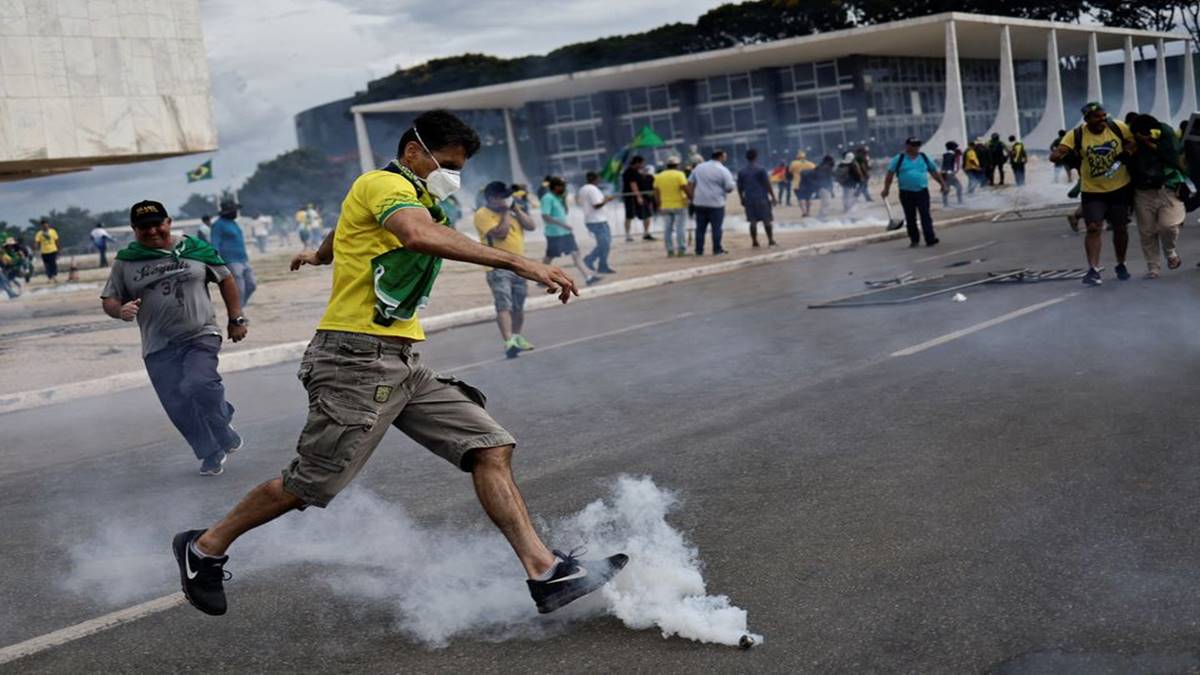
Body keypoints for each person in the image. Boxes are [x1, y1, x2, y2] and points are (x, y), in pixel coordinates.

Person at [171, 109, 627, 618]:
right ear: (414, 152)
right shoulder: (382, 184)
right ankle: (204, 548)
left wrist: (320, 256)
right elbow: (415, 234)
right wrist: (521, 262)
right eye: (448, 163)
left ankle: (546, 572)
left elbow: (348, 229)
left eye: (459, 166)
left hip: (402, 360)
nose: (453, 174)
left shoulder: (415, 196)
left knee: (490, 446)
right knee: (309, 485)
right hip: (355, 360)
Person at [101, 200, 247, 475]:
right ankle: (211, 452)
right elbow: (109, 298)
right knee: (178, 405)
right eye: (144, 227)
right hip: (157, 345)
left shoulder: (195, 249)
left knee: (199, 382)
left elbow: (226, 278)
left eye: (158, 224)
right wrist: (119, 310)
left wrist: (235, 318)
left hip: (200, 332)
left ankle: (222, 420)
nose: (153, 231)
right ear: (134, 229)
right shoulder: (126, 261)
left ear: (168, 222)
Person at [1050, 101, 1134, 286]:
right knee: (1093, 227)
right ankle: (1093, 270)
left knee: (1120, 227)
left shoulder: (1117, 127)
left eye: (1104, 116)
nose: (1102, 120)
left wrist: (1126, 152)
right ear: (1087, 119)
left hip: (1120, 186)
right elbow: (1059, 151)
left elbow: (1132, 142)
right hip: (1092, 190)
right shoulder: (1077, 134)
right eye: (1097, 117)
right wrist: (1059, 155)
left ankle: (1121, 264)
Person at [474, 181, 537, 357]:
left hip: (520, 265)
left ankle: (517, 337)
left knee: (518, 305)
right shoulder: (482, 214)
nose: (507, 199)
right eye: (503, 197)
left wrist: (515, 210)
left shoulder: (512, 212)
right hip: (497, 266)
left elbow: (531, 226)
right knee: (504, 304)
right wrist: (505, 213)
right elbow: (500, 233)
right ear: (492, 198)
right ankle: (508, 341)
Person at [1128, 114, 1187, 278]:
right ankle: (1153, 267)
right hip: (1142, 191)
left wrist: (1148, 143)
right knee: (1146, 232)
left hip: (1166, 187)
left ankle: (1170, 252)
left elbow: (1173, 157)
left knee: (1168, 226)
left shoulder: (1165, 133)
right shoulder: (1131, 137)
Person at [881, 137, 947, 248]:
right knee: (910, 217)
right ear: (907, 146)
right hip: (906, 193)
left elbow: (934, 171)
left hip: (922, 191)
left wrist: (942, 184)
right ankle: (914, 240)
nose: (916, 147)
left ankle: (930, 239)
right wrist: (886, 189)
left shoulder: (924, 157)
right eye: (913, 145)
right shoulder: (899, 158)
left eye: (918, 145)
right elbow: (890, 174)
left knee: (925, 215)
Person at [541, 176, 599, 286]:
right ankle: (541, 277)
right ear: (556, 186)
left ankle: (588, 277)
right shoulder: (547, 198)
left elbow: (564, 212)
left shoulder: (558, 198)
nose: (564, 188)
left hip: (565, 233)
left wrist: (564, 199)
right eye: (563, 186)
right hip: (555, 234)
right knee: (549, 257)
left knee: (576, 253)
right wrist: (563, 225)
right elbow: (545, 216)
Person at [688, 149, 735, 255]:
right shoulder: (723, 170)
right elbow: (729, 188)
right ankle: (717, 249)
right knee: (716, 228)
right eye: (725, 156)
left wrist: (692, 198)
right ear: (721, 157)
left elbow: (690, 183)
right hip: (716, 203)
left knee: (700, 228)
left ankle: (699, 250)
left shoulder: (699, 167)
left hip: (699, 203)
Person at [209, 200, 257, 304]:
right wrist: (218, 263)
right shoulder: (218, 225)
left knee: (252, 284)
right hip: (231, 261)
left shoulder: (233, 223)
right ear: (228, 211)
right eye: (235, 210)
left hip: (243, 259)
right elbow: (215, 244)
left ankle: (239, 308)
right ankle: (239, 313)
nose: (236, 212)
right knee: (239, 289)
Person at [737, 149, 777, 248]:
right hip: (762, 198)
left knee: (752, 222)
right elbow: (767, 184)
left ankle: (755, 241)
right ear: (756, 157)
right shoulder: (761, 169)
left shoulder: (742, 171)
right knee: (766, 220)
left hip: (749, 199)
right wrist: (773, 196)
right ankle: (771, 240)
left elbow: (739, 187)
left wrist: (741, 198)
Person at [579, 171, 617, 273]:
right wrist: (607, 200)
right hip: (598, 220)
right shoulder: (593, 189)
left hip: (591, 220)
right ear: (596, 179)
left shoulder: (583, 189)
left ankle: (601, 265)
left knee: (604, 244)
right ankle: (591, 260)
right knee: (605, 244)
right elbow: (596, 205)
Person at [653, 156, 691, 256]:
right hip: (679, 204)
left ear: (667, 165)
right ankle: (681, 250)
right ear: (677, 165)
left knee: (667, 229)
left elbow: (656, 192)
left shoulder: (659, 176)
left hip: (665, 205)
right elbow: (684, 187)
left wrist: (658, 204)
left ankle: (670, 250)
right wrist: (691, 197)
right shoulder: (679, 174)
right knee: (680, 228)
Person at [622, 156, 652, 242]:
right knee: (629, 215)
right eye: (642, 163)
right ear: (637, 163)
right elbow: (633, 185)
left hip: (640, 196)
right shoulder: (630, 172)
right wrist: (638, 197)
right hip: (631, 197)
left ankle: (646, 233)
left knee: (647, 214)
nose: (643, 165)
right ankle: (628, 235)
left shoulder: (637, 171)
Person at [790, 151, 816, 216]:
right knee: (808, 198)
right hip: (809, 184)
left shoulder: (793, 163)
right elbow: (815, 172)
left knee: (801, 198)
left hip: (797, 184)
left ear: (797, 157)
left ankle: (804, 212)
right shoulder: (811, 164)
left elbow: (790, 171)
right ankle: (808, 212)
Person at [33, 218, 59, 283]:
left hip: (53, 250)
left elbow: (56, 241)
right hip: (44, 251)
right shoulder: (39, 233)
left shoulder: (53, 231)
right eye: (43, 225)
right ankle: (49, 278)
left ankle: (54, 277)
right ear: (41, 226)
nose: (45, 226)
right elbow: (37, 242)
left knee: (53, 264)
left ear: (48, 224)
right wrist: (35, 248)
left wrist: (59, 249)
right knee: (47, 265)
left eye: (46, 224)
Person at [940, 141, 964, 207]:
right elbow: (948, 164)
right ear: (953, 147)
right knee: (959, 187)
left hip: (944, 173)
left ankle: (945, 204)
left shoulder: (945, 154)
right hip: (949, 174)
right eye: (955, 147)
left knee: (946, 188)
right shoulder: (950, 155)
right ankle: (960, 202)